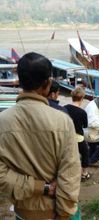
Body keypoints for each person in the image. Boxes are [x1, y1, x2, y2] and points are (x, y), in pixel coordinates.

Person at [0, 52, 81, 219]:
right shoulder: (63, 122)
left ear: (19, 81)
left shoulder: (3, 121)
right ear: (47, 83)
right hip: (55, 212)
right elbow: (70, 175)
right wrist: (63, 213)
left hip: (22, 213)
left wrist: (38, 186)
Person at [64, 87, 91, 181]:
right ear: (82, 98)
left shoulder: (64, 108)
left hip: (66, 137)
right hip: (78, 137)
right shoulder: (82, 112)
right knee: (85, 153)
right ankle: (84, 173)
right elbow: (85, 125)